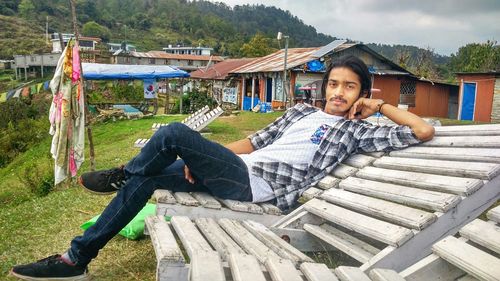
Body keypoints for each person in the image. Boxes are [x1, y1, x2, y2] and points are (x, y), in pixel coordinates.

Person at [10, 55, 434, 280]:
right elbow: (252, 141)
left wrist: (379, 106)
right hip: (237, 168)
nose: (340, 93)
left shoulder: (356, 131)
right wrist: (204, 160)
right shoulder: (301, 113)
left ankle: (123, 170)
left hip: (257, 187)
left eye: (350, 87)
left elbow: (422, 132)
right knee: (149, 180)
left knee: (173, 132)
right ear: (325, 87)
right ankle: (75, 259)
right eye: (335, 84)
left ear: (361, 92)